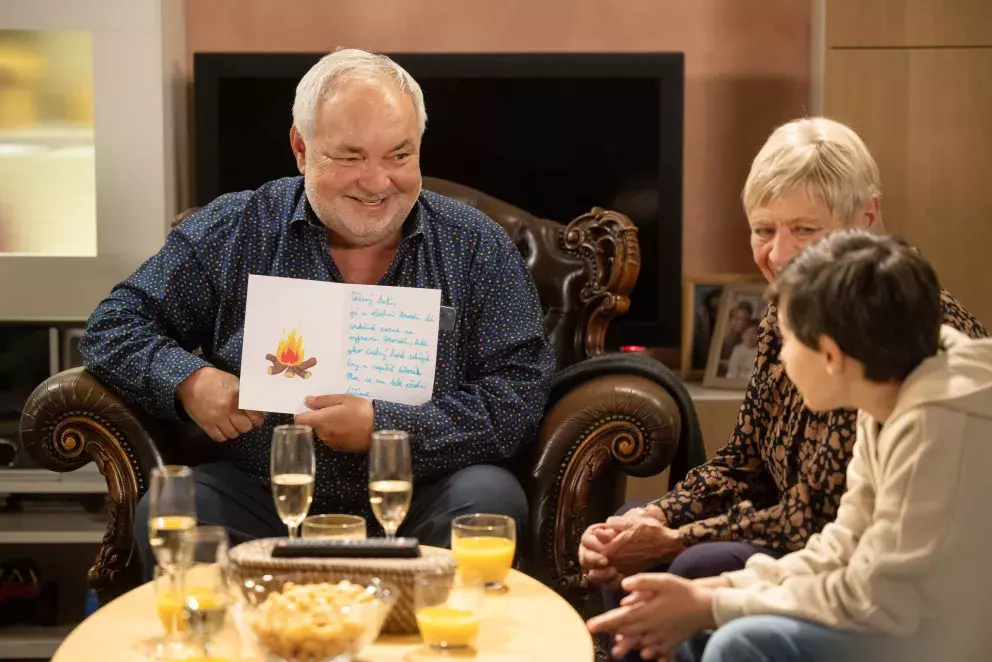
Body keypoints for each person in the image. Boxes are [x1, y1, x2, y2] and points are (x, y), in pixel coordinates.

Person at [80, 49, 555, 578]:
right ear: (301, 149)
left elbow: (518, 394)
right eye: (350, 157)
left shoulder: (476, 246)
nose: (376, 183)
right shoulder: (238, 227)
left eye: (399, 156)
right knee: (178, 513)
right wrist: (189, 381)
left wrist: (385, 427)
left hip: (425, 496)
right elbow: (115, 324)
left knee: (488, 502)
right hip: (262, 497)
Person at [578, 118, 987, 659]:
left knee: (712, 598)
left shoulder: (895, 356)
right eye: (764, 230)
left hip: (931, 613)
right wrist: (659, 518)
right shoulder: (809, 318)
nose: (780, 254)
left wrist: (704, 592)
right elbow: (797, 503)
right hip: (851, 569)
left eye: (806, 229)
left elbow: (865, 571)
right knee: (640, 548)